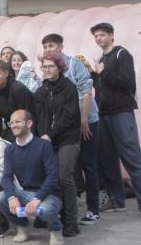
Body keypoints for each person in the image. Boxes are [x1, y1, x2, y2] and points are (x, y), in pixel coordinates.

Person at [88, 22, 141, 222]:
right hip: (104, 113)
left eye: (102, 35)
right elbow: (103, 86)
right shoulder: (102, 59)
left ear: (111, 35)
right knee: (108, 160)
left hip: (121, 113)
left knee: (132, 158)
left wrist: (103, 73)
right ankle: (117, 200)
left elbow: (128, 83)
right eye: (96, 36)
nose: (98, 38)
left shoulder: (121, 54)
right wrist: (93, 74)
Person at [41, 33, 101, 225]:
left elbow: (86, 91)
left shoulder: (74, 65)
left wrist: (83, 120)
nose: (48, 49)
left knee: (88, 164)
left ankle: (93, 209)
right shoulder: (48, 68)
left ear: (61, 46)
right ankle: (69, 204)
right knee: (69, 167)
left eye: (51, 45)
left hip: (86, 121)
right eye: (45, 46)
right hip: (65, 126)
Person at [0, 109, 65, 245]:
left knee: (45, 209)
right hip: (25, 193)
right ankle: (22, 226)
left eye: (17, 122)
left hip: (48, 195)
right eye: (11, 123)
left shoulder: (44, 145)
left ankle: (56, 229)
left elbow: (53, 176)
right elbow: (6, 177)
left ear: (29, 123)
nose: (13, 125)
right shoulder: (10, 149)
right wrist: (11, 197)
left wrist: (37, 198)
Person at [35, 52, 81, 237]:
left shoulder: (69, 88)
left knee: (64, 178)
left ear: (59, 68)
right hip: (48, 139)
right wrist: (43, 134)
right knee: (47, 177)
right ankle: (49, 214)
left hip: (68, 138)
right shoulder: (41, 90)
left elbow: (69, 117)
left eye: (50, 66)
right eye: (44, 67)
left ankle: (71, 222)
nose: (47, 70)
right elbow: (40, 117)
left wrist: (50, 135)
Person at [0, 59, 35, 142]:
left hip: (27, 128)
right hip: (11, 128)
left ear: (6, 73)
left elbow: (30, 117)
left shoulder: (19, 89)